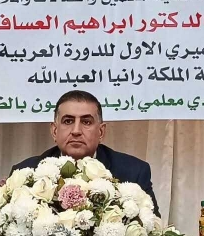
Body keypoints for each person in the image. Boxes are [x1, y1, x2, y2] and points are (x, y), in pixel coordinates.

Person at [12, 90, 159, 215]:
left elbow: (152, 231)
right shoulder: (26, 173)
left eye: (86, 122)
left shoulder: (133, 173)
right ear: (54, 131)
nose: (76, 131)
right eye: (68, 121)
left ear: (101, 132)